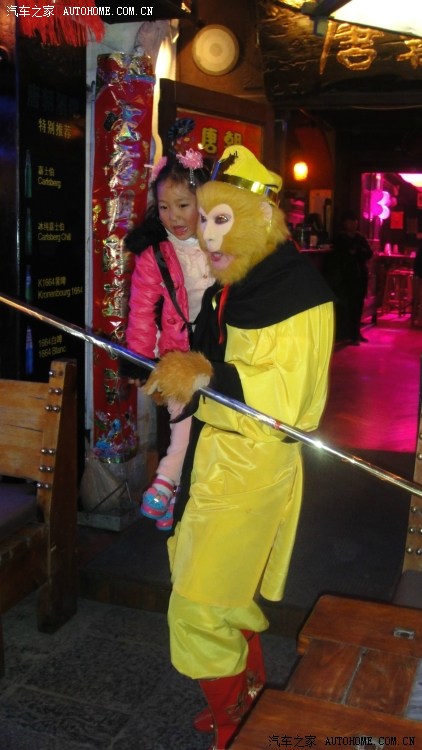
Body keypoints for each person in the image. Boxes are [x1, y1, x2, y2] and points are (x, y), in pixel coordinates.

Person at [142, 145, 335, 749]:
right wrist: (190, 377)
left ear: (263, 217)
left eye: (221, 219)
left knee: (199, 604)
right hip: (220, 456)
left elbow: (284, 405)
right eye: (205, 218)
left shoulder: (292, 290)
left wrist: (203, 376)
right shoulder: (245, 279)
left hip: (250, 463)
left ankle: (235, 726)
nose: (206, 233)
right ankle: (246, 700)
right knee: (216, 588)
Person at [124, 148, 212, 531]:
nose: (173, 216)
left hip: (219, 350)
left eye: (183, 205)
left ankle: (171, 490)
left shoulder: (220, 243)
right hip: (176, 354)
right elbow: (141, 312)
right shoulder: (154, 255)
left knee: (208, 428)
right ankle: (167, 481)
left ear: (203, 201)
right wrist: (138, 361)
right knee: (183, 422)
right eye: (164, 207)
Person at [328, 210, 373, 345]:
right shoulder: (340, 238)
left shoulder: (360, 238)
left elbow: (368, 253)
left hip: (360, 275)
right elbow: (343, 254)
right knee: (346, 305)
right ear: (345, 223)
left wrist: (356, 253)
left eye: (354, 222)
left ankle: (356, 333)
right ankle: (347, 334)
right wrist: (357, 253)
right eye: (350, 222)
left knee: (358, 305)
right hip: (346, 276)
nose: (353, 224)